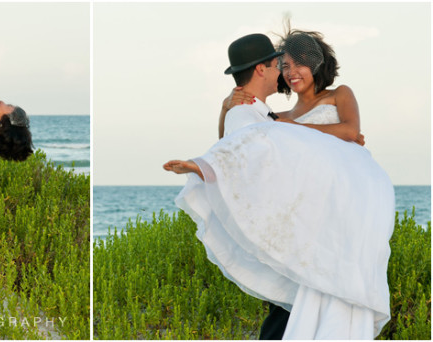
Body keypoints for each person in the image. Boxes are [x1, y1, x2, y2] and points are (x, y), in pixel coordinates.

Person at [163, 30, 394, 339]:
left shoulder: (338, 94)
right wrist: (224, 109)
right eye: (284, 65)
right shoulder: (276, 116)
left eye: (299, 64)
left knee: (336, 282)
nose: (290, 72)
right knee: (298, 289)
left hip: (343, 204)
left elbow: (351, 132)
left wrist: (294, 126)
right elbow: (243, 144)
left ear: (317, 64)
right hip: (306, 214)